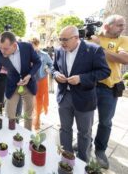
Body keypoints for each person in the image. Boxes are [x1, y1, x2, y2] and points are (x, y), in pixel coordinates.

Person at [52, 26, 110, 162]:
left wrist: (81, 78)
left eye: (65, 39)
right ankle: (66, 158)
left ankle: (83, 161)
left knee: (84, 133)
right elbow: (54, 67)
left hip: (84, 98)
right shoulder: (60, 50)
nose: (62, 43)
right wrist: (56, 74)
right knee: (65, 129)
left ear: (76, 38)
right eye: (60, 39)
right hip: (64, 97)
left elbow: (105, 71)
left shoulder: (94, 50)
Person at [0, 31, 41, 130]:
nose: (2, 51)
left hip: (28, 85)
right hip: (12, 87)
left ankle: (27, 138)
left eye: (5, 48)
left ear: (14, 45)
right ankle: (11, 136)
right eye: (0, 47)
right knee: (10, 115)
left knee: (28, 115)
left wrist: (29, 75)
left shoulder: (27, 47)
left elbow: (38, 62)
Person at [91, 15, 128, 169]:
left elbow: (123, 59)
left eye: (123, 25)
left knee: (105, 122)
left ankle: (100, 150)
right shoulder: (93, 37)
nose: (122, 27)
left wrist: (100, 47)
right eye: (119, 25)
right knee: (85, 117)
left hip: (109, 88)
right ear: (107, 26)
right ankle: (84, 141)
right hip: (91, 85)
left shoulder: (122, 40)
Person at [31, 37, 53, 130]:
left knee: (39, 98)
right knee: (32, 98)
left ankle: (38, 119)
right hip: (31, 79)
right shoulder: (28, 54)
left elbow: (52, 64)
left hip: (41, 79)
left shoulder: (44, 55)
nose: (32, 48)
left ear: (37, 45)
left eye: (33, 45)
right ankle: (32, 116)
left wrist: (48, 69)